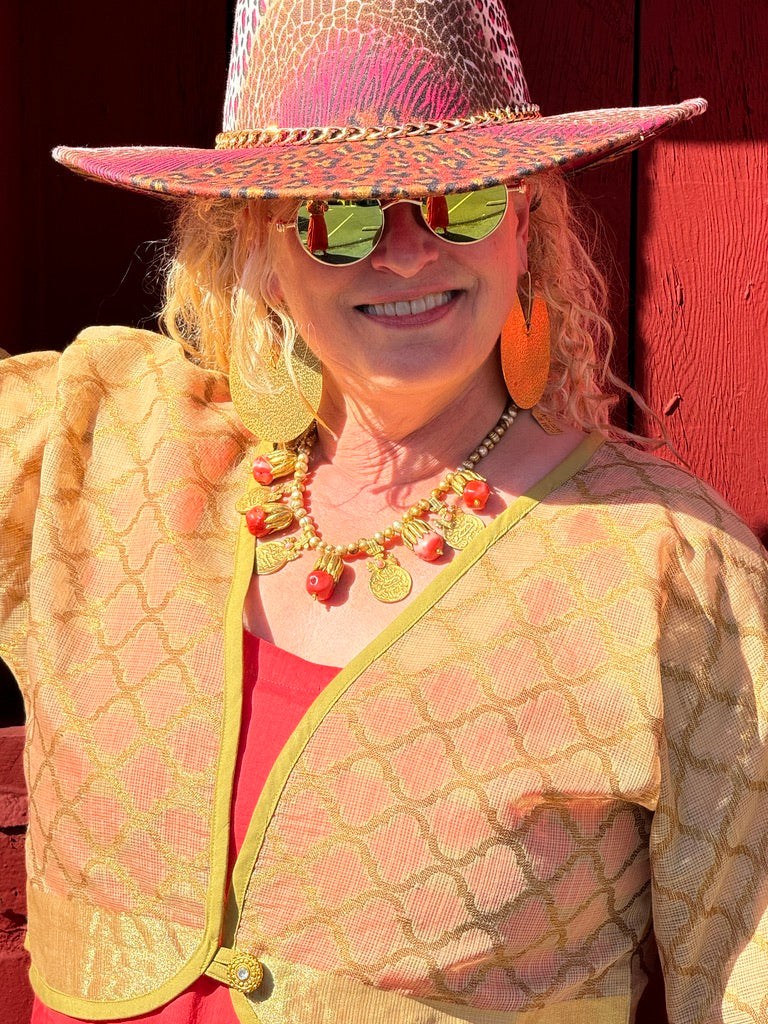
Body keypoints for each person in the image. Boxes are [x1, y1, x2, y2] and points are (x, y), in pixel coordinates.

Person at [1, 1, 766, 1022]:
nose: (406, 251)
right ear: (259, 251)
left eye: (462, 202)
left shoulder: (666, 562)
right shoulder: (97, 440)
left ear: (524, 228)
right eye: (341, 212)